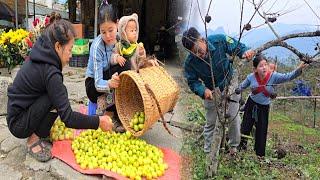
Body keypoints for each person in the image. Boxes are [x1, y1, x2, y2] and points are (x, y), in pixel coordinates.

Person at [6, 12, 113, 162]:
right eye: (69, 49)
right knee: (57, 95)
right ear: (57, 46)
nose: (71, 55)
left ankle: (39, 130)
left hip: (18, 112)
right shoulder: (50, 72)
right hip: (18, 124)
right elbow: (68, 118)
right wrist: (98, 121)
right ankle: (32, 140)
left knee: (57, 94)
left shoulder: (42, 55)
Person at [182, 27, 255, 154]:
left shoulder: (219, 40)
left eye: (199, 50)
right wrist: (203, 90)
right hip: (212, 90)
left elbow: (237, 46)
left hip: (230, 83)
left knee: (233, 117)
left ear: (202, 40)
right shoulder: (190, 63)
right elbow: (193, 81)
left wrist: (245, 52)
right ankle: (208, 151)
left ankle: (233, 148)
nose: (198, 55)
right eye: (194, 53)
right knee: (211, 121)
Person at [237, 54, 308, 157]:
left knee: (261, 132)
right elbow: (241, 87)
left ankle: (259, 157)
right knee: (245, 128)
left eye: (265, 64)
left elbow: (288, 76)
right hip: (251, 105)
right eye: (261, 66)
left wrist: (299, 68)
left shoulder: (273, 76)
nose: (264, 67)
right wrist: (236, 90)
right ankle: (241, 152)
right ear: (255, 69)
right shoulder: (251, 77)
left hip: (264, 108)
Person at [85, 1, 126, 133]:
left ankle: (118, 108)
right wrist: (110, 83)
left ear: (117, 24)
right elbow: (97, 83)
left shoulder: (119, 39)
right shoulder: (97, 47)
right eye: (103, 32)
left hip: (109, 75)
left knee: (126, 64)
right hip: (94, 85)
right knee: (117, 73)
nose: (108, 36)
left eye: (111, 30)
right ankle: (108, 112)